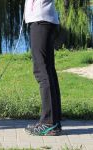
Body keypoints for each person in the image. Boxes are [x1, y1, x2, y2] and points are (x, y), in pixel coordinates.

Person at [24, 0, 68, 136]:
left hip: (41, 19)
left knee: (41, 72)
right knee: (48, 71)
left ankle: (49, 123)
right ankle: (54, 122)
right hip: (44, 19)